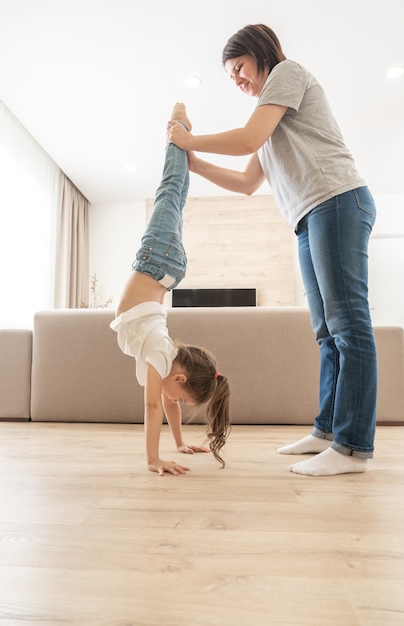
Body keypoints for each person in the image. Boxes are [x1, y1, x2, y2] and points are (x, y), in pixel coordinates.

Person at [167, 25, 377, 477]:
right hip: (309, 217)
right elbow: (246, 183)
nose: (237, 79)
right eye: (230, 75)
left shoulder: (287, 73)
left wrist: (190, 142)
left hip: (337, 201)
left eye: (239, 68)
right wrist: (194, 162)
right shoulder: (274, 116)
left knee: (349, 327)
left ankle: (353, 448)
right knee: (326, 333)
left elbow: (246, 138)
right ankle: (326, 432)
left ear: (261, 55)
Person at [111, 103, 230, 476]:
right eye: (177, 393)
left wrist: (178, 443)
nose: (171, 401)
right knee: (170, 190)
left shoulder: (164, 360)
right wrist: (153, 460)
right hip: (156, 261)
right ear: (179, 377)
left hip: (165, 268)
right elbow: (151, 408)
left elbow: (168, 404)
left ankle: (182, 140)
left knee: (174, 197)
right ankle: (178, 129)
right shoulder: (161, 358)